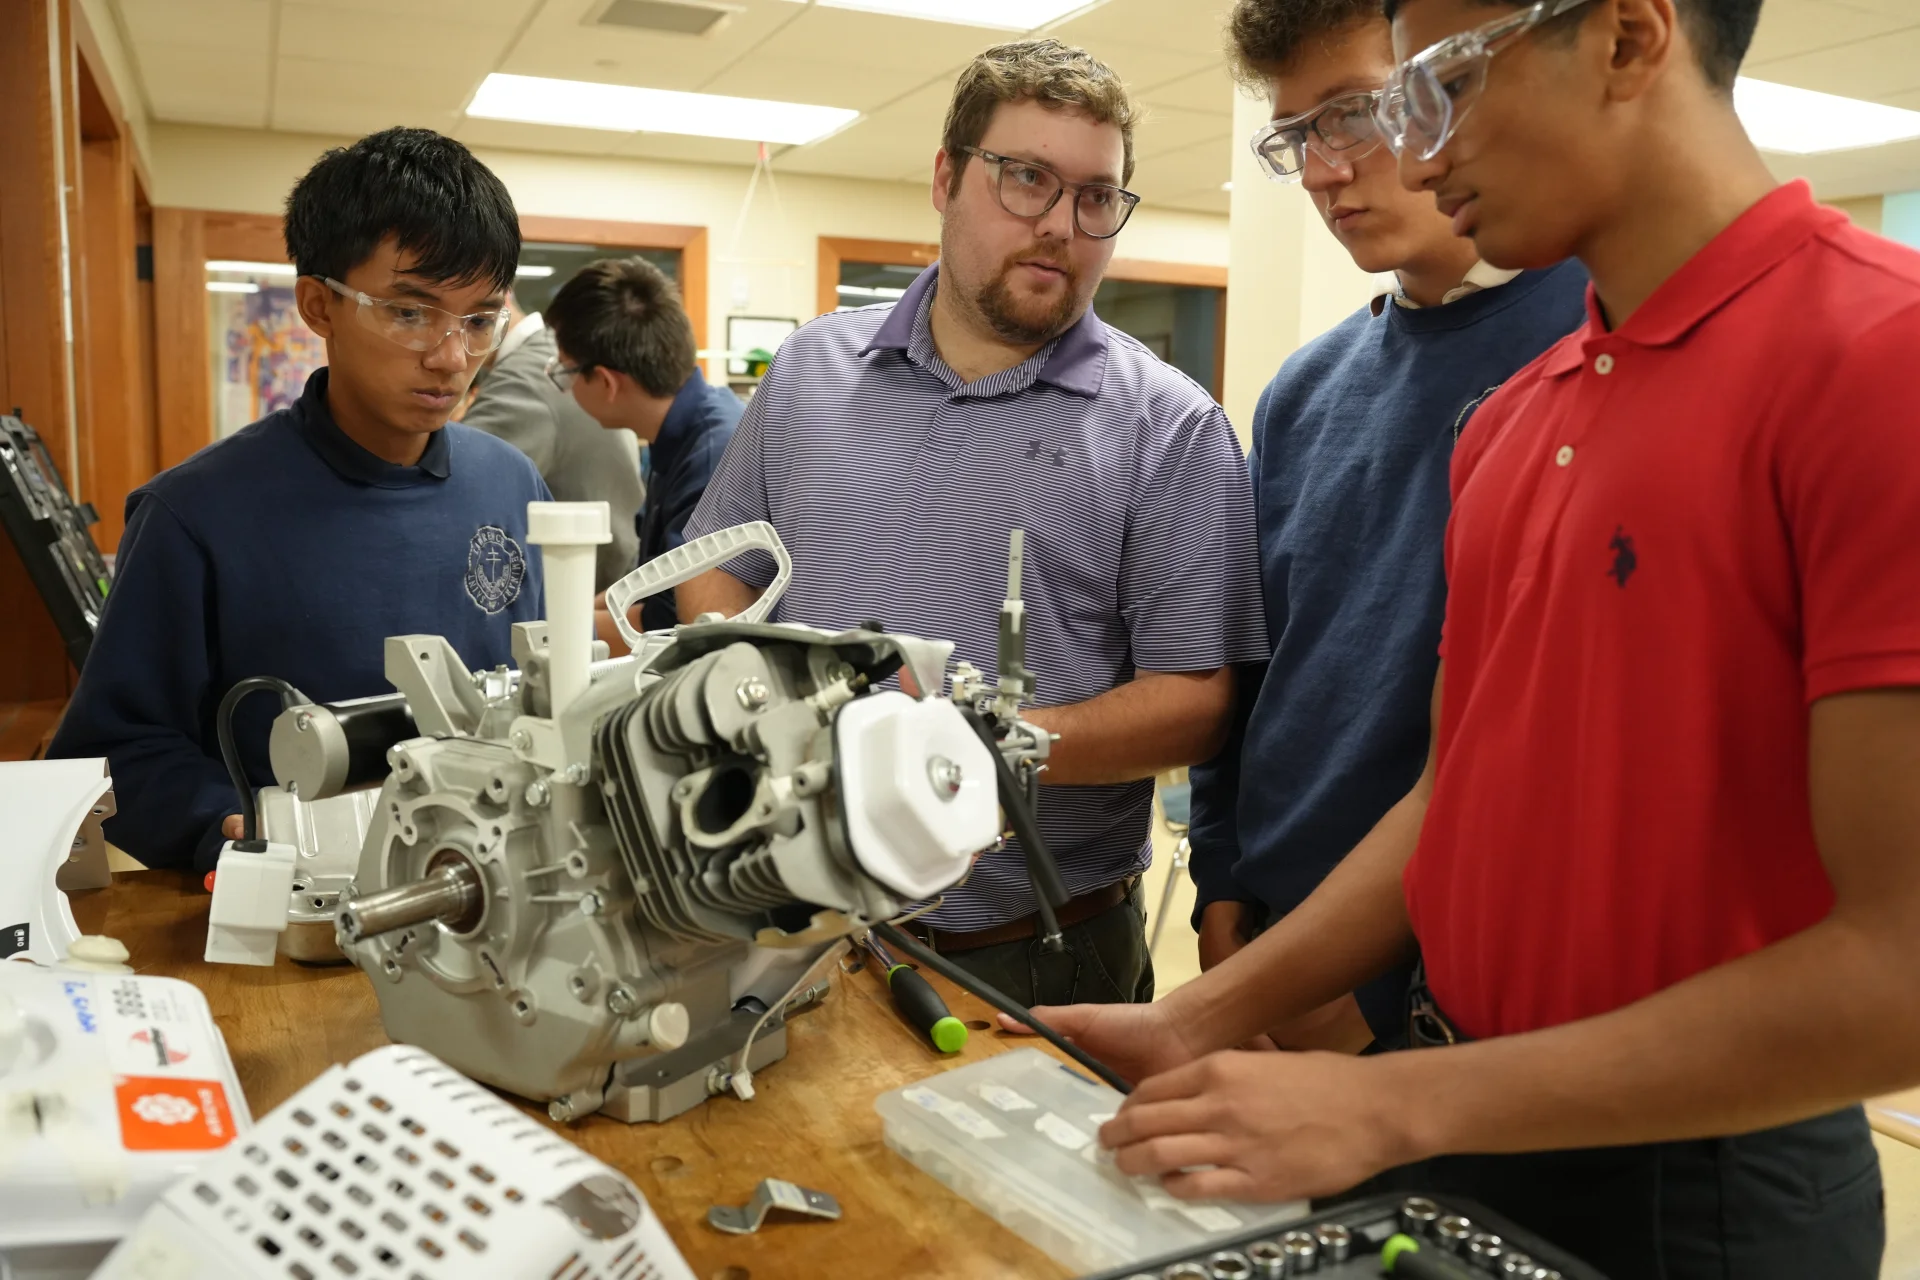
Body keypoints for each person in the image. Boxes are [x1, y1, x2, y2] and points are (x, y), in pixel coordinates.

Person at [1021, 0, 1920, 1273]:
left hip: (1696, 1175)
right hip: (1462, 1116)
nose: (1420, 148)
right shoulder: (1512, 420)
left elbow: (1900, 971)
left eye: (1442, 82)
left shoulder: (1883, 358)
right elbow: (1452, 796)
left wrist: (1393, 1101)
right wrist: (1199, 1015)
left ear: (1626, 37)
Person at [676, 39, 1267, 1007]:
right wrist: (758, 718)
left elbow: (1196, 702)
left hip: (1030, 955)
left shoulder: (1171, 427)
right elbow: (721, 567)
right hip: (785, 922)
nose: (1060, 225)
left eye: (1095, 196)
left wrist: (979, 747)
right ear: (946, 179)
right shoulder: (812, 370)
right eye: (1026, 178)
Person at [1187, 0, 1587, 1055]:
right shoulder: (1304, 392)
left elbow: (1552, 759)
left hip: (1446, 998)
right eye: (1297, 135)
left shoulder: (1596, 343)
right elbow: (1253, 668)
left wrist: (1377, 994)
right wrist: (1220, 882)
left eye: (1354, 113)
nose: (1324, 172)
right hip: (1265, 948)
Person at [50, 128, 549, 871]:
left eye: (478, 321)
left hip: (499, 881)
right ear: (319, 305)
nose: (451, 357)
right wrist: (234, 826)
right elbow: (115, 749)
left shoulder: (511, 485)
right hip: (303, 892)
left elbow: (543, 699)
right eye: (409, 312)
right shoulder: (194, 515)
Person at [541, 257, 743, 637]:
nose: (565, 386)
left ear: (607, 382)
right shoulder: (686, 430)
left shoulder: (711, 458)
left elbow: (673, 624)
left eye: (565, 371)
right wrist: (566, 611)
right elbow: (649, 583)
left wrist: (548, 633)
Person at [459, 290, 645, 592]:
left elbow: (455, 493)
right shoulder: (555, 351)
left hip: (578, 595)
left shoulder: (524, 381)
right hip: (611, 576)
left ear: (502, 299)